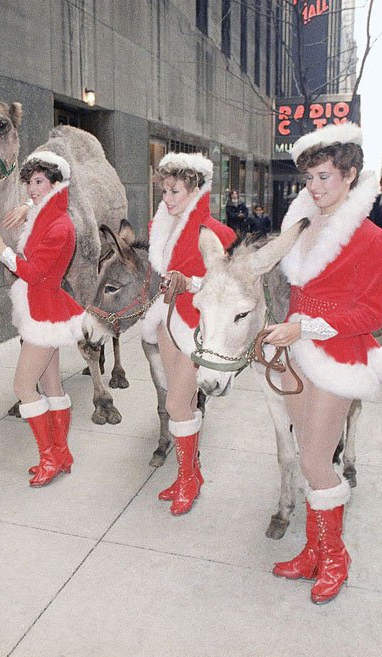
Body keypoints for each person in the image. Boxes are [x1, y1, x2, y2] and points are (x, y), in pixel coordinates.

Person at [264, 123, 382, 604]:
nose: (315, 187)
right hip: (296, 355)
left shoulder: (378, 243)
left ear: (351, 175)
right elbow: (297, 291)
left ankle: (336, 557)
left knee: (318, 461)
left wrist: (303, 328)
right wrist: (284, 334)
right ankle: (312, 550)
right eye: (309, 179)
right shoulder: (301, 225)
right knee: (307, 454)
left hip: (338, 359)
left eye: (324, 176)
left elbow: (370, 314)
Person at [140, 152, 236, 515]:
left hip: (196, 325)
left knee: (179, 403)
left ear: (195, 189)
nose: (167, 198)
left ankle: (188, 478)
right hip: (167, 319)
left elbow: (223, 286)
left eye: (175, 191)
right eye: (164, 191)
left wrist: (191, 282)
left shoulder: (215, 232)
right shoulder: (162, 226)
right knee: (174, 402)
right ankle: (189, 475)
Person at [0, 151, 84, 488]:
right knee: (51, 385)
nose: (32, 188)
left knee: (23, 386)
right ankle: (62, 452)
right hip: (46, 309)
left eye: (40, 182)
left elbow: (34, 272)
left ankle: (49, 457)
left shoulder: (59, 225)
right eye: (30, 182)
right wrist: (30, 206)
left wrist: (2, 248)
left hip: (44, 312)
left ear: (56, 183)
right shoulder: (50, 217)